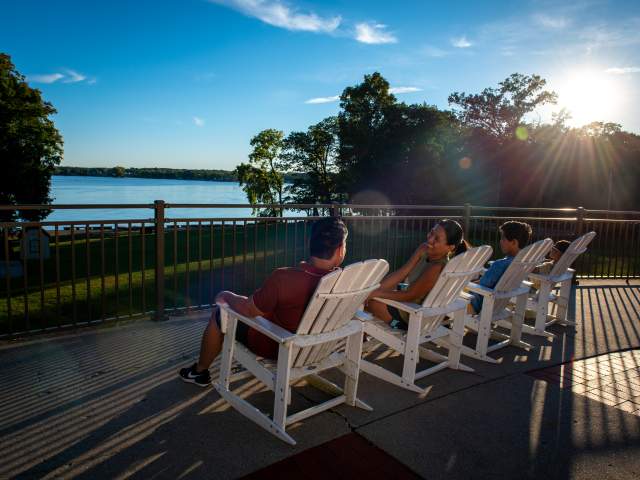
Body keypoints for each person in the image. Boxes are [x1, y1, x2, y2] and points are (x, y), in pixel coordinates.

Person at [179, 216, 348, 387]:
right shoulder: (348, 281)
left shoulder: (284, 278)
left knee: (219, 314)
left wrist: (227, 296)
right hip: (317, 348)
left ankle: (199, 372)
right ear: (340, 249)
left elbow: (248, 309)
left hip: (276, 346)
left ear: (310, 243)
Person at [365, 219, 469, 327]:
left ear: (450, 247)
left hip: (414, 313)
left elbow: (410, 295)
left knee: (372, 302)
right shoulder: (424, 250)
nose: (430, 239)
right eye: (432, 232)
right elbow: (403, 272)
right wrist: (375, 289)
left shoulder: (437, 267)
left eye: (437, 239)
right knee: (367, 296)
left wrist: (375, 294)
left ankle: (396, 324)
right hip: (407, 301)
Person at [468, 220, 532, 314]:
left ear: (514, 242)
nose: (500, 241)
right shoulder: (523, 263)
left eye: (503, 238)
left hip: (477, 305)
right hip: (502, 303)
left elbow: (482, 285)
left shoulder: (499, 265)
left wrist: (466, 283)